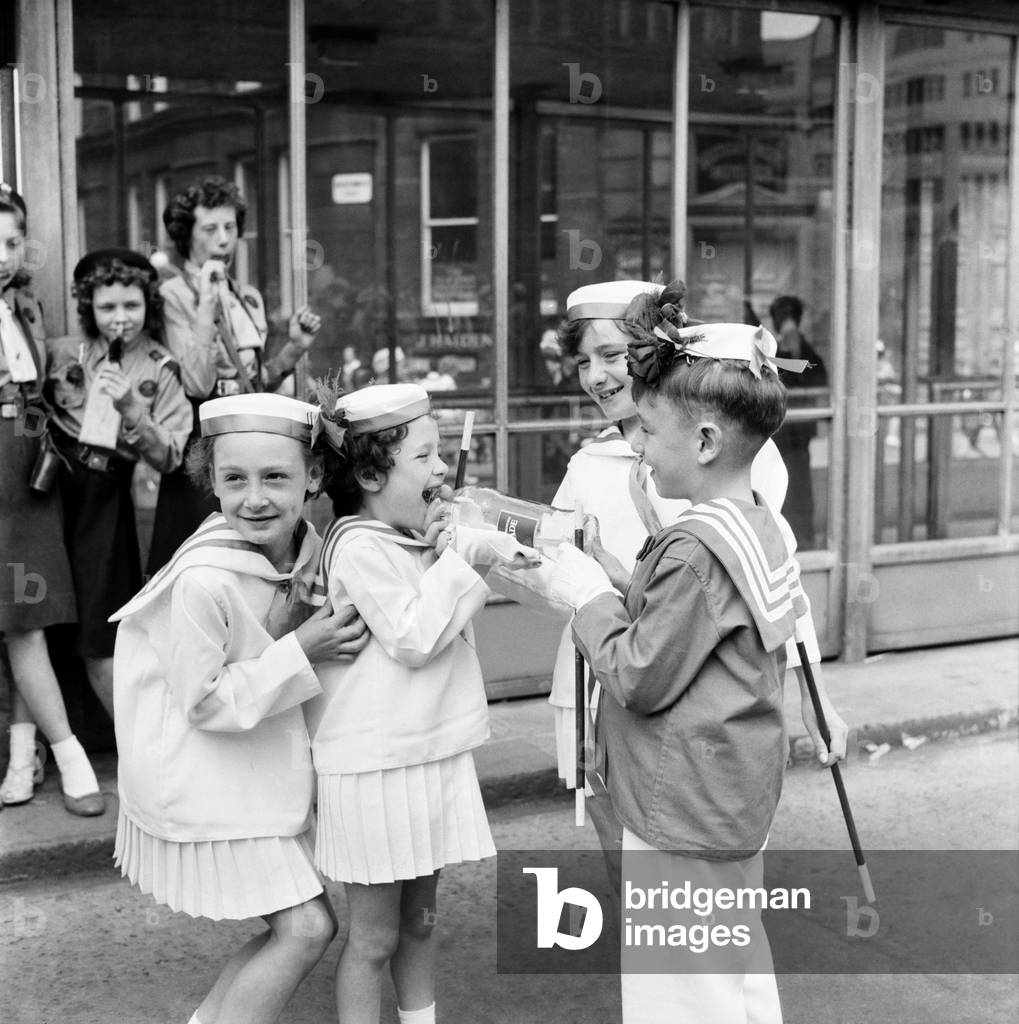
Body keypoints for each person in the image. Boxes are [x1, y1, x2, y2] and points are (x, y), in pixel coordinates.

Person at [541, 320, 824, 1024]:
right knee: (733, 974)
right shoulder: (751, 523)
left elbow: (638, 674)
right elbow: (691, 632)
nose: (636, 445)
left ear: (703, 441)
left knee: (679, 997)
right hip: (729, 797)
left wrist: (586, 595)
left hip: (680, 808)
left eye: (649, 431)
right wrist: (613, 576)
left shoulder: (693, 547)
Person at [110, 392, 370, 1024]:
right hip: (200, 780)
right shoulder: (204, 578)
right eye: (235, 480)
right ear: (212, 482)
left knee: (301, 926)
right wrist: (303, 648)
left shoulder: (308, 546)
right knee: (307, 927)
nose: (255, 498)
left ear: (313, 477)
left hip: (253, 777)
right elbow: (202, 702)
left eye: (275, 477)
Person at [306, 381, 539, 1024]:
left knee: (421, 925)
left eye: (441, 454)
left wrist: (450, 551)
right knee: (375, 937)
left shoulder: (406, 537)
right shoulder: (357, 546)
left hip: (426, 757)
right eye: (425, 456)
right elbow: (413, 638)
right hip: (377, 771)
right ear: (372, 473)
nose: (442, 470)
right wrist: (464, 557)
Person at [146, 175, 323, 573]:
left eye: (230, 227)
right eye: (210, 229)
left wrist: (294, 347)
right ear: (186, 234)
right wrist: (206, 307)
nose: (224, 238)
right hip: (203, 436)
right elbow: (196, 381)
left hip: (248, 431)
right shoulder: (172, 295)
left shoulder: (246, 296)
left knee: (256, 552)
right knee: (205, 557)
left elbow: (256, 383)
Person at [44, 248, 192, 719]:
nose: (120, 319)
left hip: (106, 502)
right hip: (50, 493)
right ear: (89, 308)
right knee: (43, 619)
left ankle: (136, 748)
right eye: (107, 308)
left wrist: (133, 411)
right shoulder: (63, 352)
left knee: (100, 630)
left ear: (149, 304)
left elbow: (171, 456)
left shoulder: (162, 368)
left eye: (132, 306)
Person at [0, 183, 103, 816]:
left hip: (27, 469)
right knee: (16, 622)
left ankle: (28, 757)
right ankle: (62, 754)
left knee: (24, 619)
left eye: (12, 241)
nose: (4, 253)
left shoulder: (25, 307)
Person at [769, 295, 828, 548]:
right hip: (779, 435)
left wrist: (792, 350)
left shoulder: (801, 355)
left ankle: (802, 539)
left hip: (795, 436)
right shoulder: (778, 354)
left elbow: (810, 374)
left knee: (798, 487)